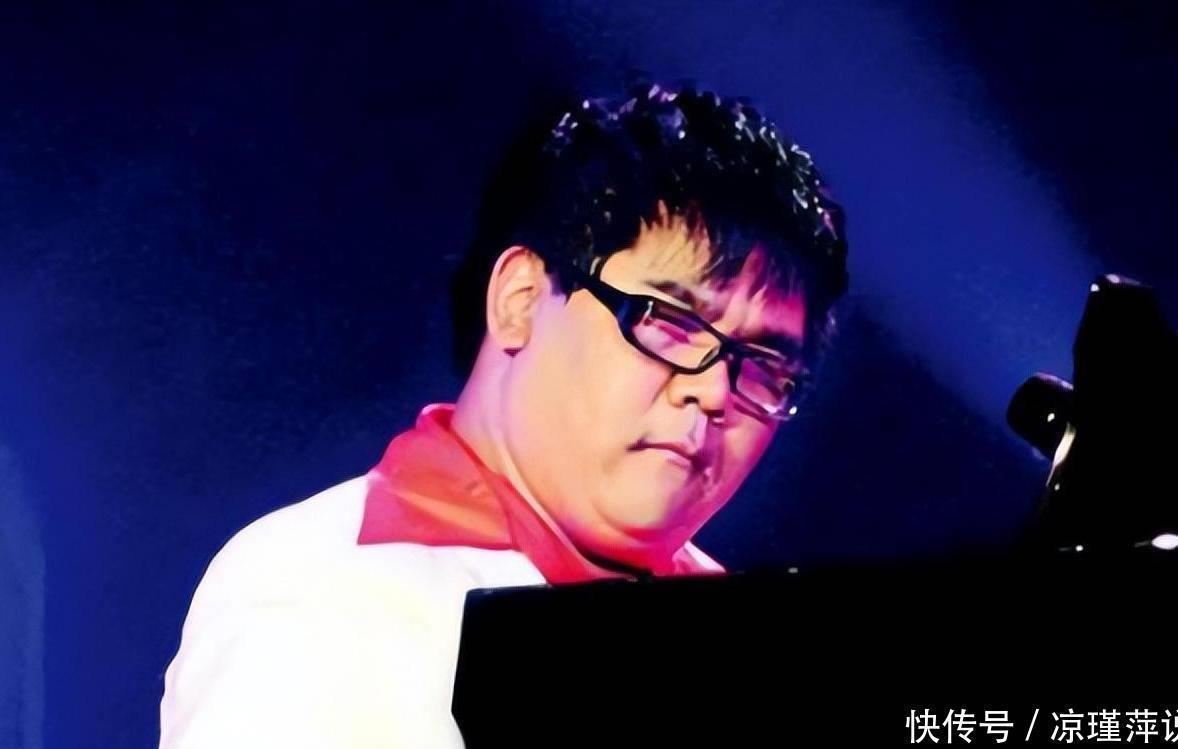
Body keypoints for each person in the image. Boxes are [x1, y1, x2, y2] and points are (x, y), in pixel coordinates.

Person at [158, 82, 848, 748]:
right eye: (669, 321)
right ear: (519, 300)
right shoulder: (328, 591)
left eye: (764, 365)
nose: (715, 391)